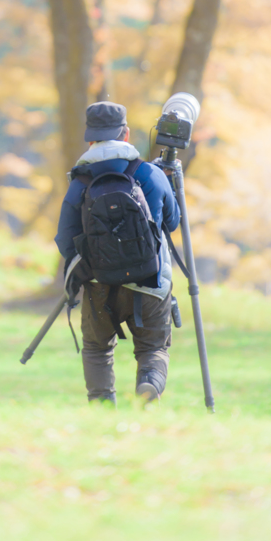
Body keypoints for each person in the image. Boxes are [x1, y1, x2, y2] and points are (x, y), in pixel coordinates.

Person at [55, 100, 180, 406]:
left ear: (90, 139)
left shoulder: (80, 182)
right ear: (125, 134)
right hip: (150, 280)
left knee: (97, 348)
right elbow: (173, 223)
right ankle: (149, 385)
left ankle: (102, 407)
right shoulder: (150, 174)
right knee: (153, 348)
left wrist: (89, 269)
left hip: (100, 283)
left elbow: (64, 239)